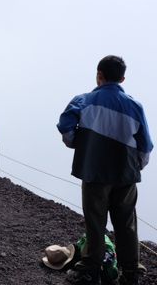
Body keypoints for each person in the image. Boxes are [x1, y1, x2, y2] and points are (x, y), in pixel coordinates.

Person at [57, 55, 152, 285]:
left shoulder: (83, 100)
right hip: (125, 175)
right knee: (126, 225)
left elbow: (66, 129)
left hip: (94, 173)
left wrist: (82, 146)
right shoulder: (135, 106)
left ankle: (89, 270)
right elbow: (145, 147)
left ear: (99, 75)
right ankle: (130, 273)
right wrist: (134, 166)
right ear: (122, 78)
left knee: (95, 223)